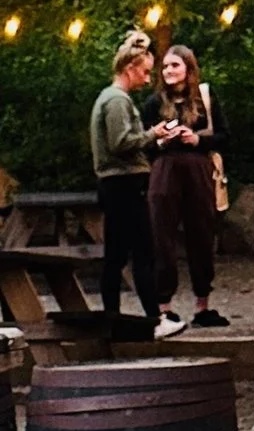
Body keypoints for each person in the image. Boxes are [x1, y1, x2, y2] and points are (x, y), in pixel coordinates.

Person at [144, 41, 229, 331]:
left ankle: (202, 305)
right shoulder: (153, 104)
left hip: (197, 169)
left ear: (188, 68)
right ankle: (164, 308)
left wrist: (198, 140)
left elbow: (225, 135)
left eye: (174, 65)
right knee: (162, 236)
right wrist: (161, 140)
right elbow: (143, 146)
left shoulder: (206, 97)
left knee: (201, 235)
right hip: (164, 170)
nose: (168, 70)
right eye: (165, 66)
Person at [88, 30, 166, 336]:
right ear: (130, 67)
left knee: (117, 256)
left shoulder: (112, 100)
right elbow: (120, 143)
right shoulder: (117, 101)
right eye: (145, 72)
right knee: (142, 253)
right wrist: (153, 135)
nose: (147, 80)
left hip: (117, 185)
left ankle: (112, 318)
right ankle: (153, 320)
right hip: (124, 186)